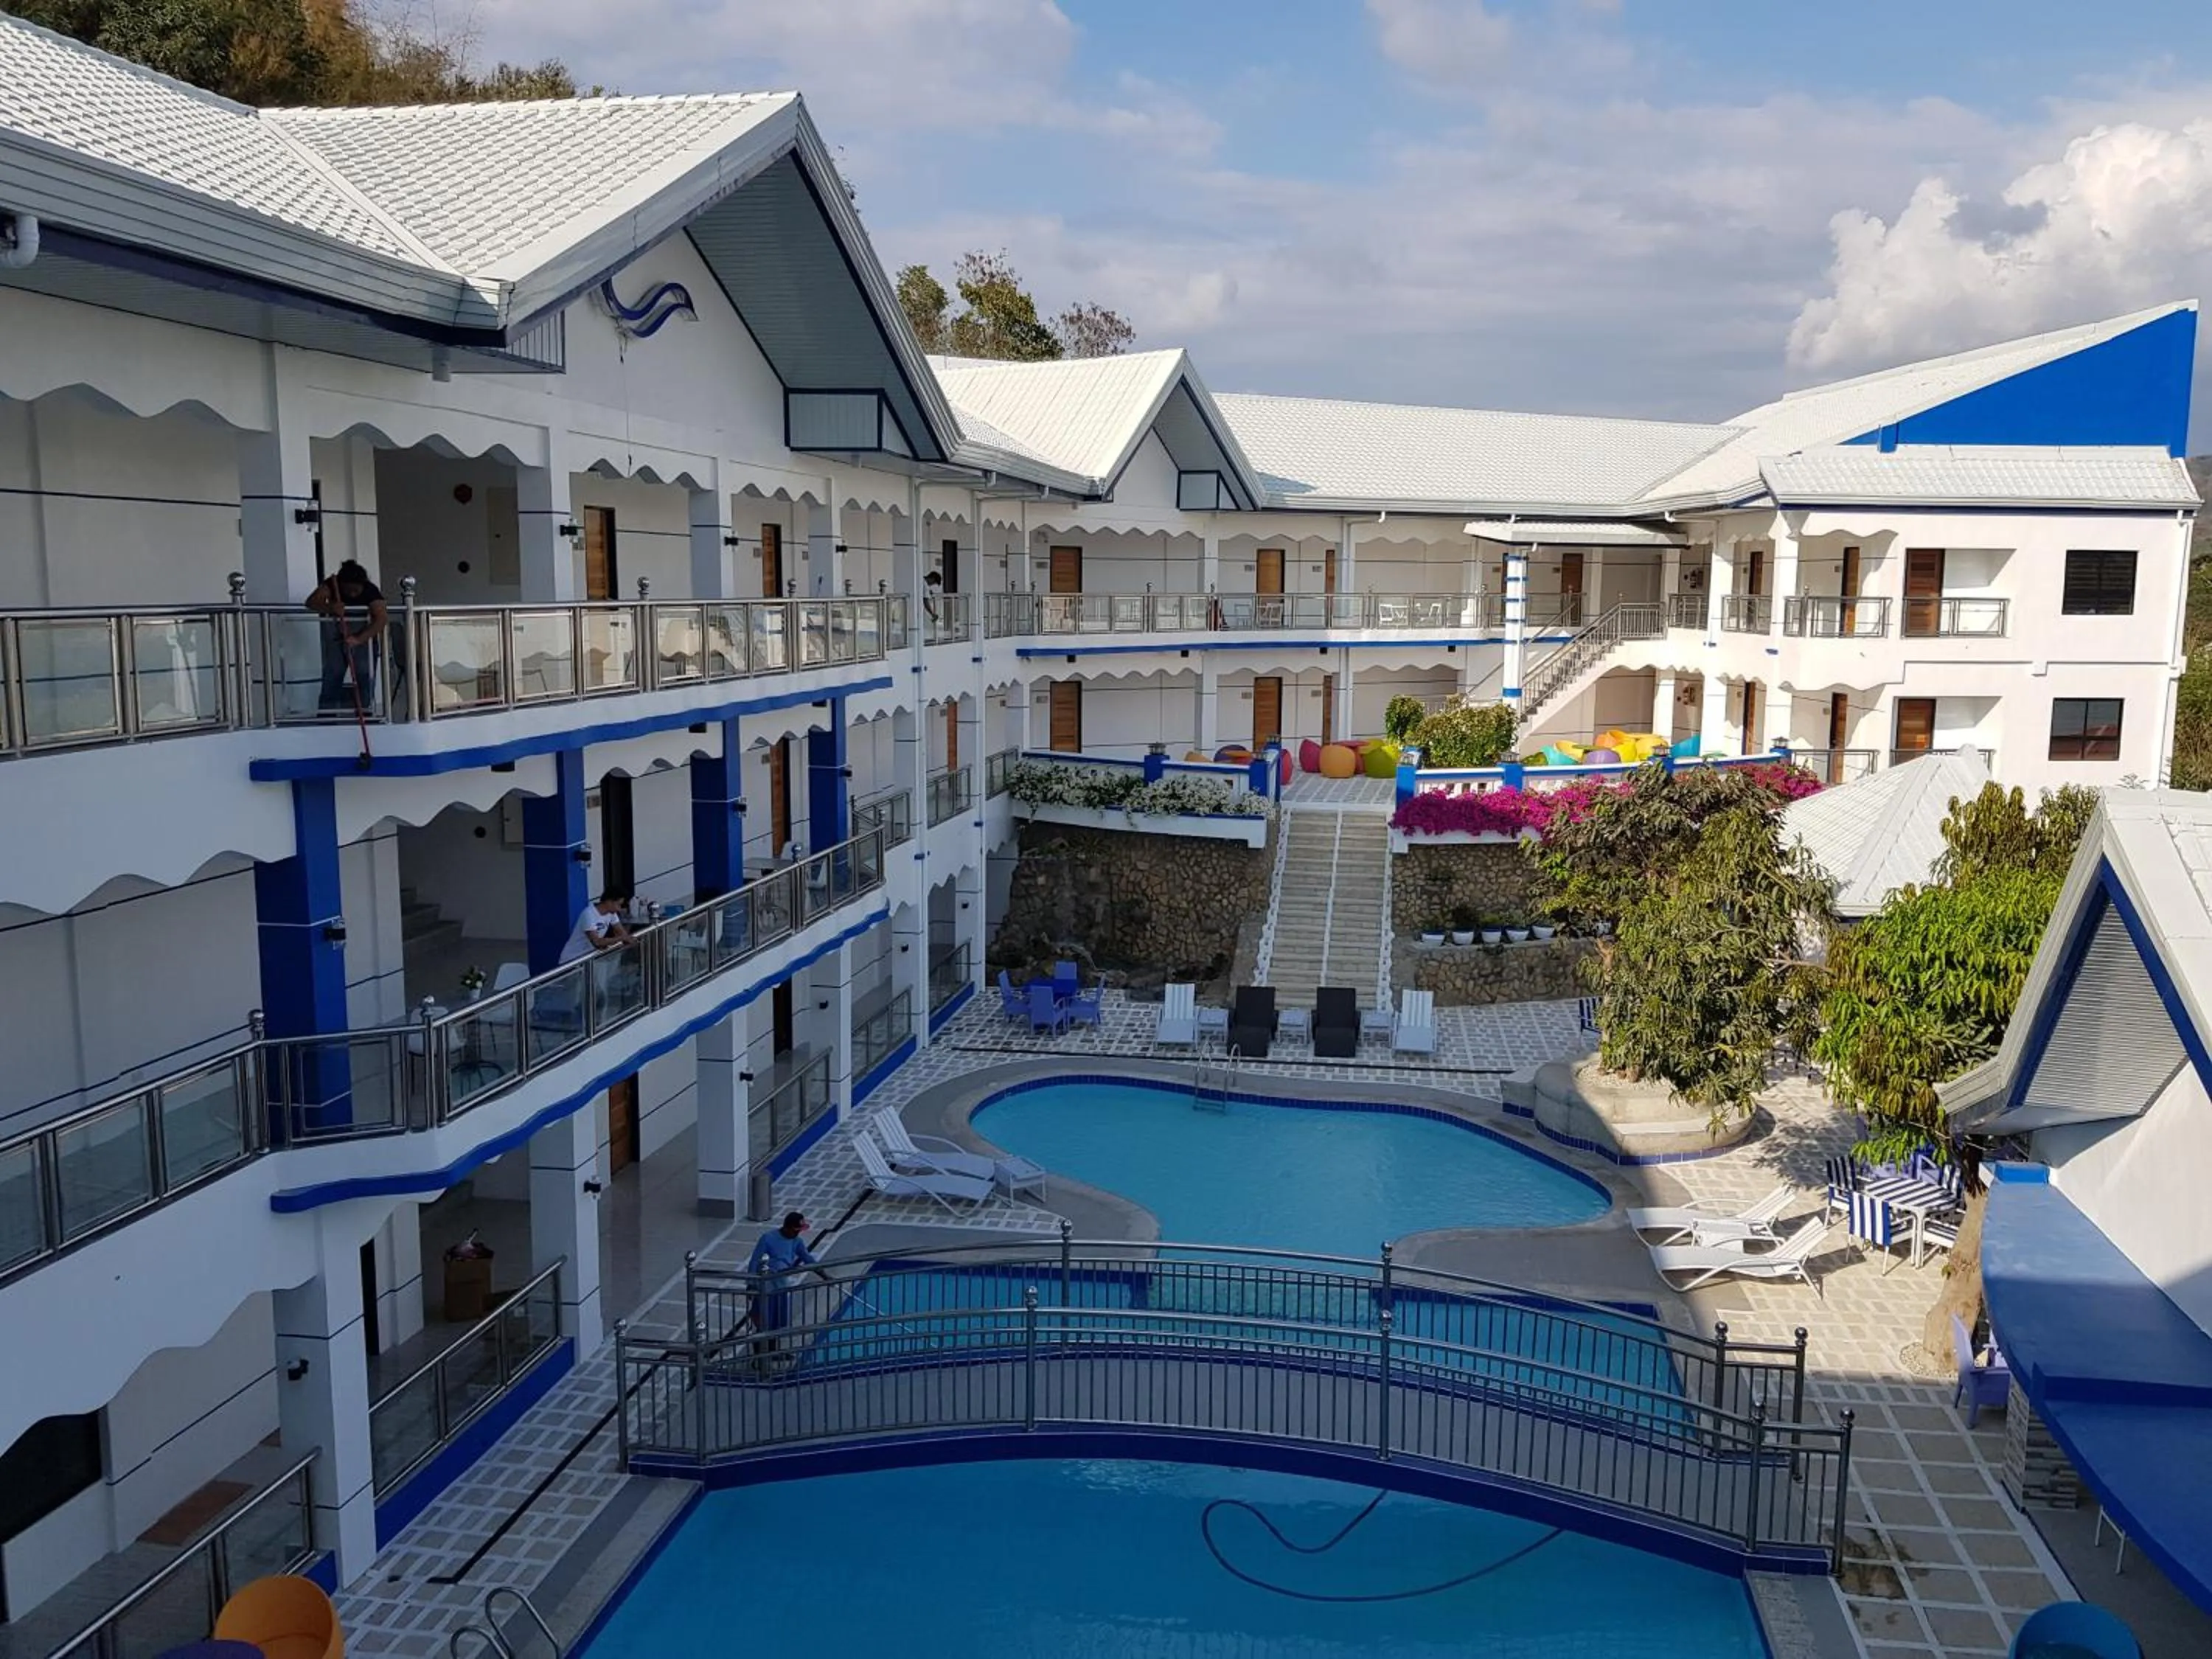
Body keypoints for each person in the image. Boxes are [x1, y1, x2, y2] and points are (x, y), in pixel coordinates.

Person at [306, 560, 389, 713]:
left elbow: (381, 619)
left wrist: (358, 639)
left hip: (364, 641)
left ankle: (365, 713)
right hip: (337, 638)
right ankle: (326, 717)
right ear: (341, 584)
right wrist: (330, 607)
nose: (352, 594)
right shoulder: (332, 584)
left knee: (365, 677)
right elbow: (311, 602)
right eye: (348, 590)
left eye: (356, 590)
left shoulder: (371, 590)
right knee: (332, 675)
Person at [748, 1211, 818, 1359]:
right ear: (788, 1228)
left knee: (776, 1322)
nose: (798, 1233)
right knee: (762, 1323)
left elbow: (807, 1257)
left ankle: (773, 1352)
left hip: (781, 1287)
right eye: (796, 1230)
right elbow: (754, 1262)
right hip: (765, 1288)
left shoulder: (796, 1241)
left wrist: (823, 1275)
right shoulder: (767, 1239)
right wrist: (751, 1285)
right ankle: (758, 1357)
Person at [558, 890, 634, 965]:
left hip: (587, 958)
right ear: (609, 902)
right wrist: (621, 938)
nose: (619, 909)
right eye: (619, 905)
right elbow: (597, 942)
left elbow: (622, 932)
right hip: (572, 960)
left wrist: (628, 939)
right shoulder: (589, 914)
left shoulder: (611, 914)